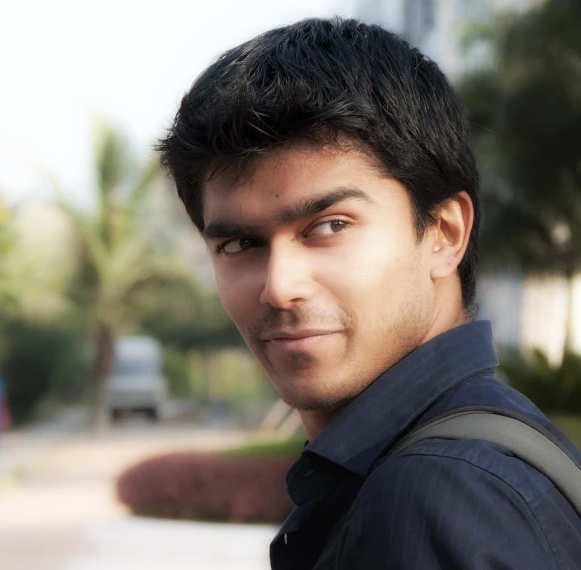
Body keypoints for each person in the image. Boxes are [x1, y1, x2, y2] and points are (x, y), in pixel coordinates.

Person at [158, 17, 581, 569]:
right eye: (240, 243)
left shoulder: (432, 498)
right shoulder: (495, 455)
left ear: (444, 233)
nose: (280, 286)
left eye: (329, 225)